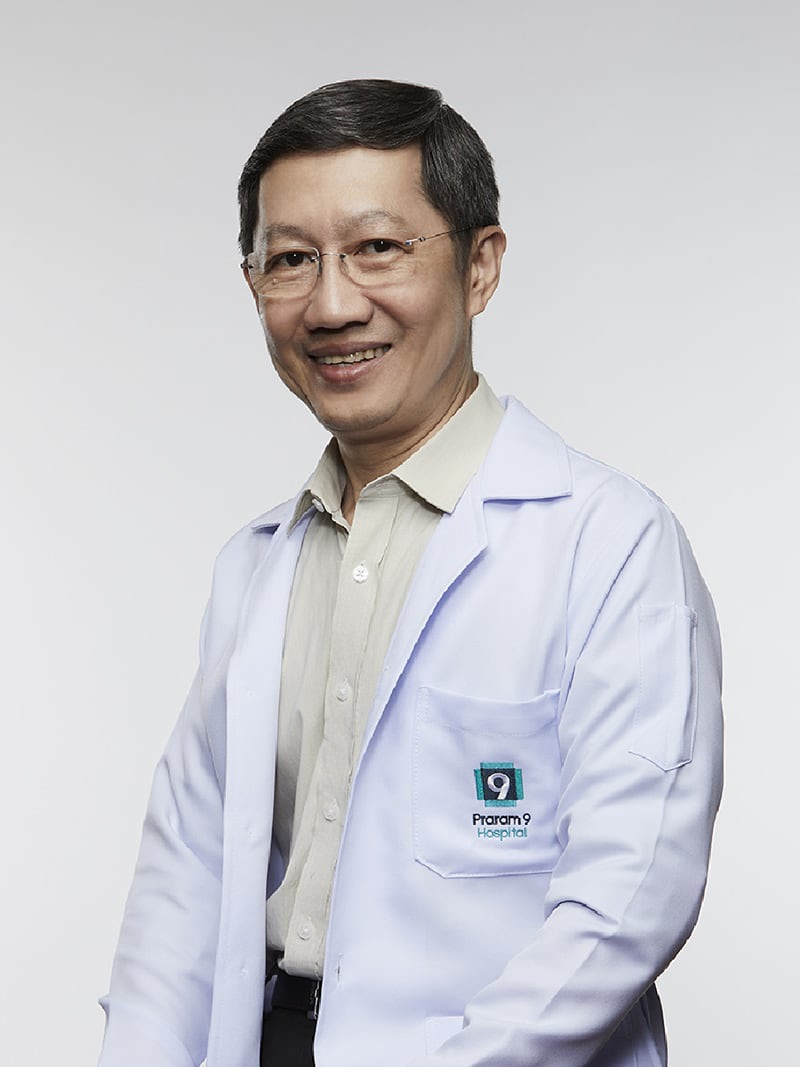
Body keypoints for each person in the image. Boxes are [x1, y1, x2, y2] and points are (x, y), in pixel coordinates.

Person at [98, 79, 723, 1067]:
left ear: (480, 265)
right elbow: (183, 879)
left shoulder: (609, 542)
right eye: (290, 259)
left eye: (378, 247)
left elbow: (628, 896)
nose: (332, 303)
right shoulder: (254, 565)